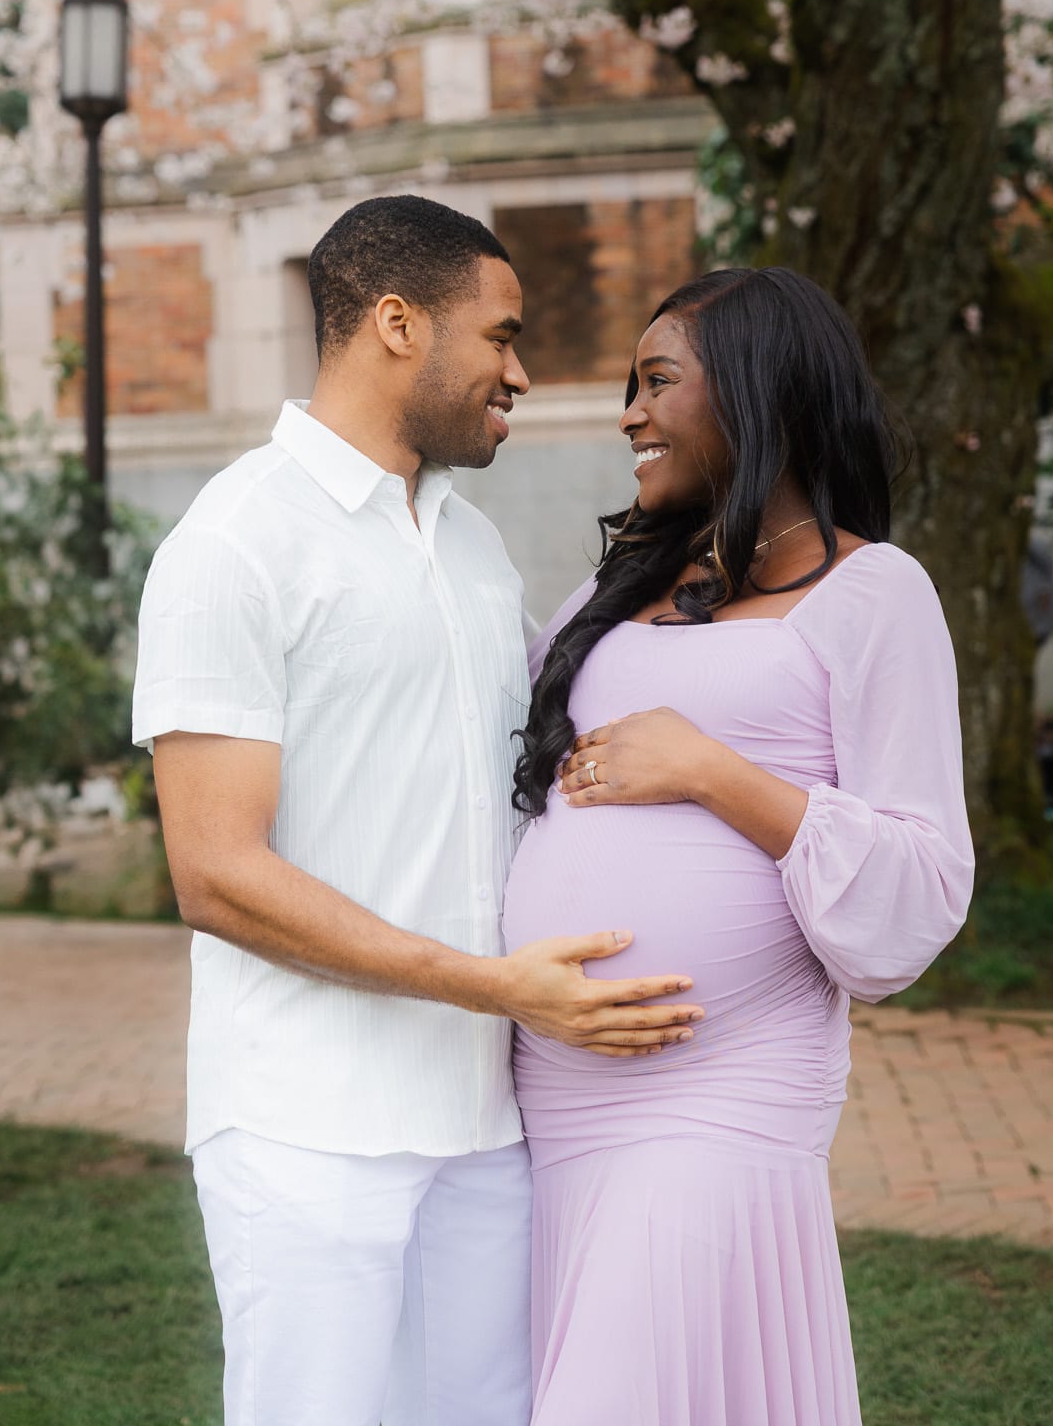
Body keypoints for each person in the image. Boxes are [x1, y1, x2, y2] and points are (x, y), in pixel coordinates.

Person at [131, 195, 703, 1426]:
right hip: (305, 1128)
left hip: (482, 1125)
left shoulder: (474, 547)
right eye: (498, 335)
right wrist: (496, 984)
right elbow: (215, 872)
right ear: (397, 323)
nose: (521, 371)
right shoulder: (233, 542)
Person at [504, 265, 976, 1426]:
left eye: (657, 379)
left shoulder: (875, 593)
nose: (628, 410)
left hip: (719, 1091)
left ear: (759, 390)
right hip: (553, 1102)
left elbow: (921, 879)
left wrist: (711, 770)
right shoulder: (608, 597)